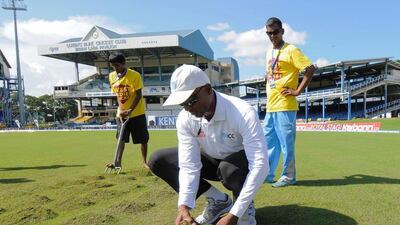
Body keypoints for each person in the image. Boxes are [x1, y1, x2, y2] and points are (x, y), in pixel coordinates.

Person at [148, 65, 269, 225]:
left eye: (191, 101)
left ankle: (245, 211)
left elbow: (260, 165)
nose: (188, 109)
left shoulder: (243, 112)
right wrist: (183, 205)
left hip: (240, 165)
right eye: (182, 103)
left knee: (229, 170)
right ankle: (219, 200)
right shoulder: (186, 118)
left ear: (208, 89)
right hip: (213, 160)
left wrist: (234, 215)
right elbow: (189, 165)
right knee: (158, 160)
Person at [263, 17, 316, 187]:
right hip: (271, 105)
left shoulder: (291, 50)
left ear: (282, 31)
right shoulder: (268, 53)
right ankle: (268, 174)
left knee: (286, 144)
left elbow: (310, 68)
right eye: (269, 33)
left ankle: (288, 176)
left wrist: (297, 91)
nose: (273, 36)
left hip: (285, 105)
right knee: (268, 143)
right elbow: (272, 74)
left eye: (276, 32)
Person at [107, 53, 149, 170]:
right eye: (113, 66)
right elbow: (118, 95)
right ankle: (117, 163)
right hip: (121, 114)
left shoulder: (135, 75)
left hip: (137, 113)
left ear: (124, 64)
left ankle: (145, 162)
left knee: (143, 139)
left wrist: (130, 109)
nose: (116, 68)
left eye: (117, 65)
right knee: (121, 139)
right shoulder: (111, 76)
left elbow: (138, 94)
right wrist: (121, 110)